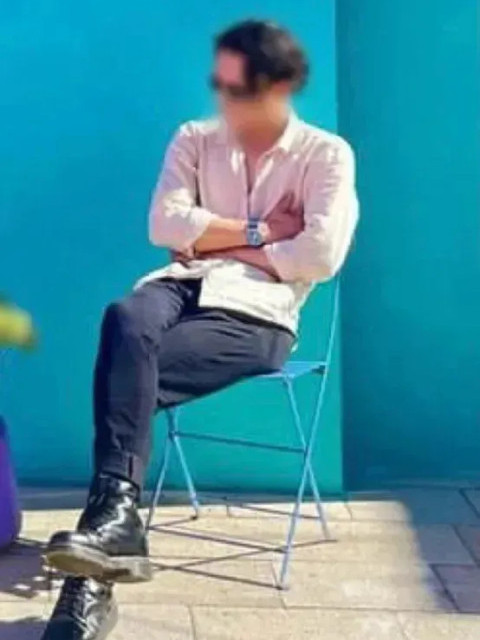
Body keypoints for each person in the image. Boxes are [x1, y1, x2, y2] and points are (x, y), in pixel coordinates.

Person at [41, 18, 358, 639]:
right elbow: (164, 225)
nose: (227, 99)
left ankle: (94, 571)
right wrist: (262, 232)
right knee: (125, 318)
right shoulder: (194, 138)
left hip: (258, 313)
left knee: (125, 377)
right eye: (222, 85)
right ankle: (114, 527)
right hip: (177, 287)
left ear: (281, 85)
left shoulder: (325, 154)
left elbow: (320, 255)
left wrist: (211, 237)